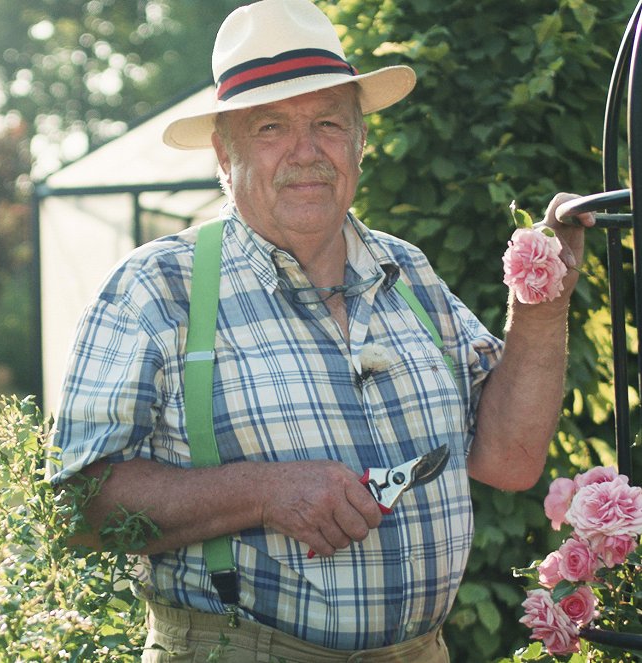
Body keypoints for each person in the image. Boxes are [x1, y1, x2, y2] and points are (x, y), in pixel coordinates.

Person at [50, 1, 594, 661]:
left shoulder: (409, 273)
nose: (306, 152)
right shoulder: (156, 289)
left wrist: (541, 305)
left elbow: (508, 460)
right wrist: (262, 491)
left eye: (329, 123)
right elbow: (77, 504)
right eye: (272, 126)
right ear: (225, 149)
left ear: (360, 139)